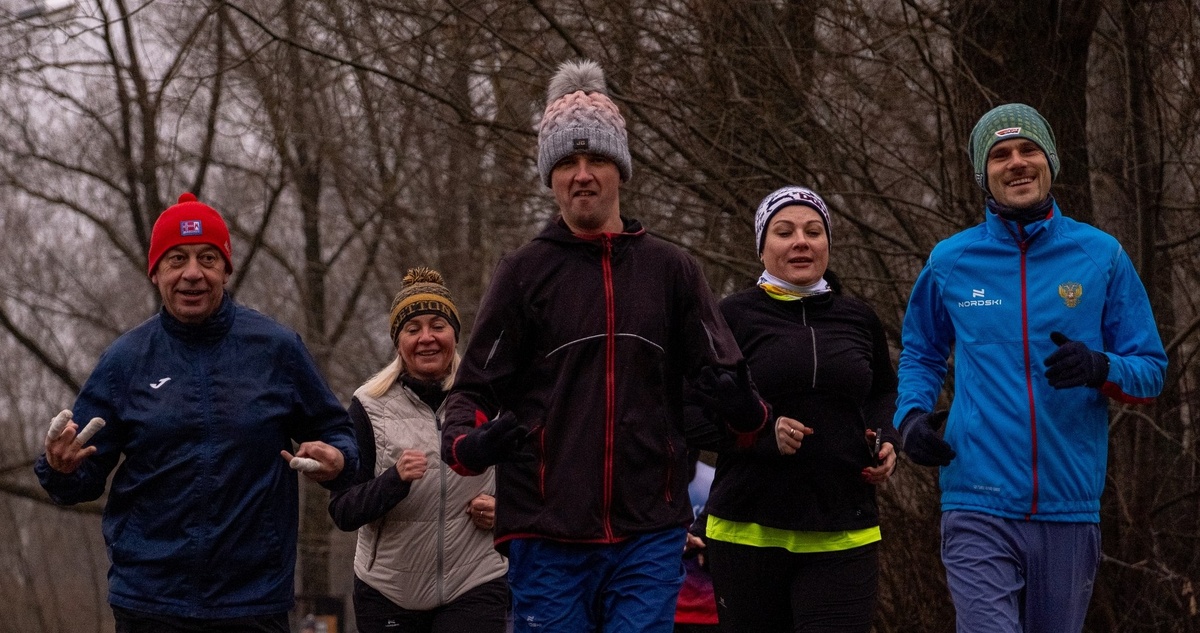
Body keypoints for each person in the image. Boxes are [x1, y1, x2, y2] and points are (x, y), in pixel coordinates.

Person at [438, 59, 770, 633]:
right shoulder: (522, 274)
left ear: (621, 169)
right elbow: (472, 392)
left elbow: (733, 394)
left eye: (597, 160)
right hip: (546, 530)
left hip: (649, 530)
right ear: (550, 177)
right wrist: (471, 441)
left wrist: (743, 410)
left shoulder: (672, 270)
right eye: (567, 163)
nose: (583, 175)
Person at [895, 103, 1168, 632]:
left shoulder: (1101, 256)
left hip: (1068, 506)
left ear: (1051, 162)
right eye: (1000, 155)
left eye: (1028, 150)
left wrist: (1100, 367)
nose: (1016, 162)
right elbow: (922, 352)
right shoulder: (951, 261)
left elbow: (1150, 372)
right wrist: (910, 419)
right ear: (984, 174)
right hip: (977, 501)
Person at [34, 193, 359, 633]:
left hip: (253, 600)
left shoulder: (276, 350)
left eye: (208, 258)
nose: (192, 273)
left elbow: (337, 433)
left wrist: (339, 458)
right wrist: (60, 468)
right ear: (155, 273)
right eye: (177, 259)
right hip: (149, 601)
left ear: (226, 270)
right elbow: (80, 476)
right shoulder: (125, 361)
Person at [701, 186, 899, 632]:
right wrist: (761, 434)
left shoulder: (858, 317)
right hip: (748, 531)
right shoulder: (730, 317)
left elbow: (884, 393)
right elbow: (692, 410)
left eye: (813, 231)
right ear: (762, 247)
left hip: (843, 531)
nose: (801, 242)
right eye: (784, 232)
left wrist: (887, 438)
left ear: (827, 243)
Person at [328, 267, 508, 633]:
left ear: (454, 335)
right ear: (398, 343)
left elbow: (537, 488)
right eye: (413, 329)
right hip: (388, 591)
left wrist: (504, 511)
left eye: (438, 326)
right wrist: (394, 481)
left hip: (475, 582)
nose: (427, 338)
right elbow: (343, 510)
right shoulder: (368, 407)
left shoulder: (491, 399)